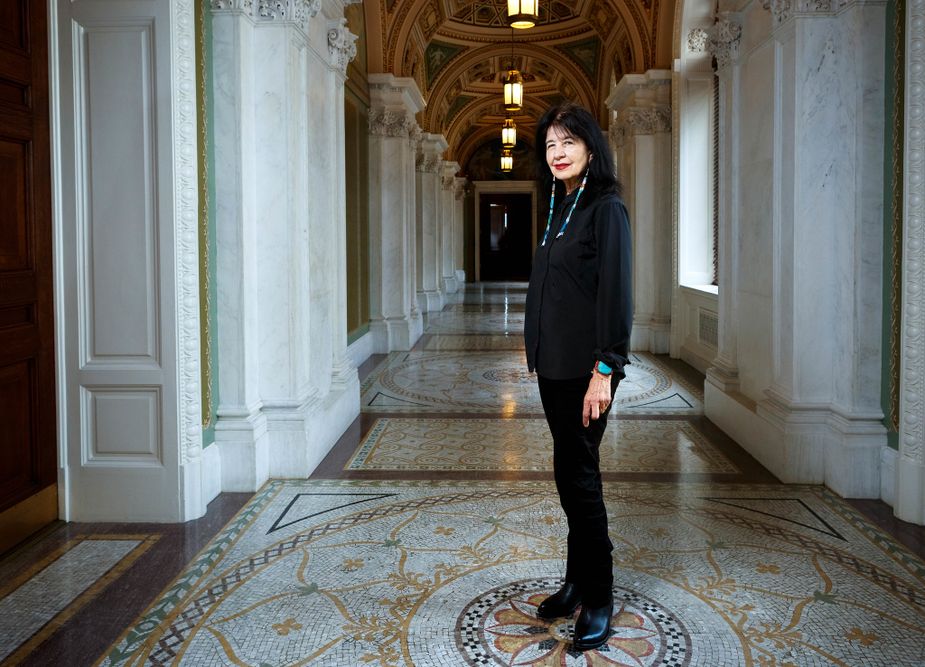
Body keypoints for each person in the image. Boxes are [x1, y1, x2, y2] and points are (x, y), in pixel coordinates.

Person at [524, 102, 632, 651]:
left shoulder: (605, 207)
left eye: (568, 142)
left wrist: (604, 371)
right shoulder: (558, 204)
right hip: (554, 366)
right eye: (550, 145)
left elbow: (615, 296)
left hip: (587, 372)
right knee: (569, 473)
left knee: (581, 479)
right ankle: (574, 581)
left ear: (590, 146)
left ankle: (600, 594)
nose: (558, 153)